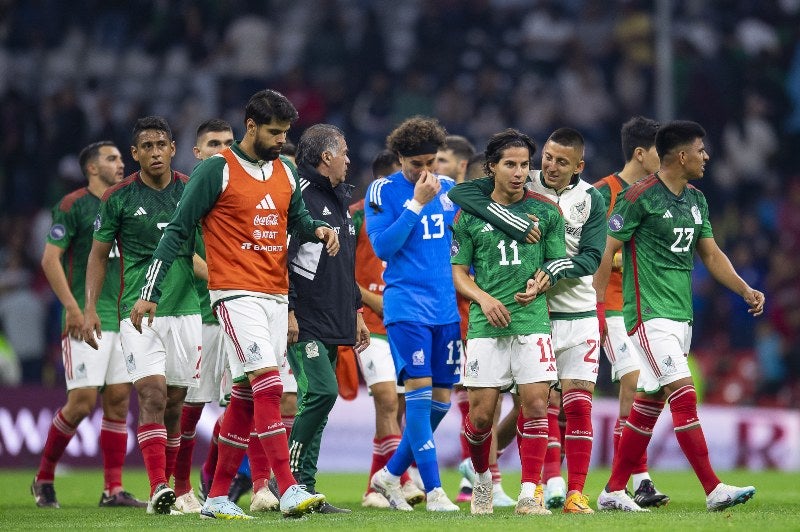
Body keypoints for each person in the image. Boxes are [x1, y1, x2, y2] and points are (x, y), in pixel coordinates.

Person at [132, 89, 336, 520]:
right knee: (269, 382)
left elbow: (296, 220)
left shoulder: (283, 171)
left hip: (275, 294)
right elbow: (178, 231)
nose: (282, 139)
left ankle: (218, 496)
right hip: (234, 293)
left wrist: (318, 229)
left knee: (244, 395)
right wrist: (149, 291)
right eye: (274, 132)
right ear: (251, 126)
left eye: (285, 132)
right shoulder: (215, 170)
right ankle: (291, 487)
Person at [595, 120, 762, 512]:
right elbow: (607, 249)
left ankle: (613, 491)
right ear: (682, 155)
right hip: (647, 315)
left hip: (679, 315)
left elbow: (711, 254)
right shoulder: (639, 197)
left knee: (648, 404)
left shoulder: (696, 200)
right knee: (684, 395)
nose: (706, 156)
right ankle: (713, 489)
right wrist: (599, 305)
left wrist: (743, 289)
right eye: (701, 150)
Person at [449, 127, 607, 514]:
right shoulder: (470, 213)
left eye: (524, 165)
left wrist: (542, 281)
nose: (521, 172)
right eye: (510, 165)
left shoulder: (547, 211)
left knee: (537, 404)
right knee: (482, 417)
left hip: (535, 320)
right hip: (487, 325)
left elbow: (557, 261)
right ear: (492, 168)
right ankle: (482, 478)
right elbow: (457, 272)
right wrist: (483, 299)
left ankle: (529, 493)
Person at [83, 117, 202, 516]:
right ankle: (158, 488)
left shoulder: (191, 190)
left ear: (172, 148)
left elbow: (204, 254)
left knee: (176, 403)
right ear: (135, 154)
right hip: (137, 313)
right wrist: (88, 307)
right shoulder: (117, 197)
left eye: (161, 145)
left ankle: (170, 486)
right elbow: (98, 256)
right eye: (146, 146)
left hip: (187, 310)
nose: (154, 152)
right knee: (152, 394)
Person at [32, 141, 146, 509]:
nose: (121, 163)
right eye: (112, 158)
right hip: (86, 318)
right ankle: (44, 477)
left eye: (120, 158)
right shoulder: (72, 205)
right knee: (80, 403)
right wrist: (74, 308)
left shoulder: (126, 203)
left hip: (122, 318)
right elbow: (51, 260)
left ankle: (112, 489)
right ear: (92, 168)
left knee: (117, 402)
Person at [367, 116, 462, 512]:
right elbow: (383, 248)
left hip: (446, 309)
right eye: (416, 164)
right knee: (419, 398)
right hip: (406, 307)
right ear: (399, 158)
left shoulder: (454, 191)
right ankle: (436, 490)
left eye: (432, 162)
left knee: (441, 400)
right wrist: (415, 204)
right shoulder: (382, 190)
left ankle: (388, 475)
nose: (426, 172)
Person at [283, 124, 369, 514]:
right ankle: (287, 480)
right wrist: (287, 309)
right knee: (321, 393)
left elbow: (344, 267)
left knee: (317, 409)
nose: (349, 160)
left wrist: (356, 312)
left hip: (336, 316)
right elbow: (278, 258)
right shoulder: (298, 196)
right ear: (326, 157)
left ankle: (306, 489)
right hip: (306, 319)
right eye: (344, 153)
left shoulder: (339, 200)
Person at [592, 116, 669, 507]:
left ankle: (638, 479)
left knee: (647, 388)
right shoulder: (600, 193)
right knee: (633, 380)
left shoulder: (657, 194)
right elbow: (585, 252)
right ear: (641, 153)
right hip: (608, 305)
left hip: (644, 306)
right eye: (661, 150)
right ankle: (624, 484)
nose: (668, 158)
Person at [352, 150, 425, 509]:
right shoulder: (354, 217)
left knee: (397, 408)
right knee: (385, 398)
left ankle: (372, 488)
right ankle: (402, 478)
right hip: (369, 324)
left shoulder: (416, 216)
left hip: (404, 322)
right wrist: (368, 302)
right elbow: (341, 275)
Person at [172, 119, 235, 513]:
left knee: (241, 405)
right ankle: (180, 488)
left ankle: (220, 483)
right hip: (202, 315)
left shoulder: (242, 188)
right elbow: (186, 252)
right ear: (197, 153)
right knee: (191, 409)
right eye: (214, 143)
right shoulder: (190, 193)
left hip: (242, 310)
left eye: (229, 143)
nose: (222, 149)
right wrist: (230, 279)